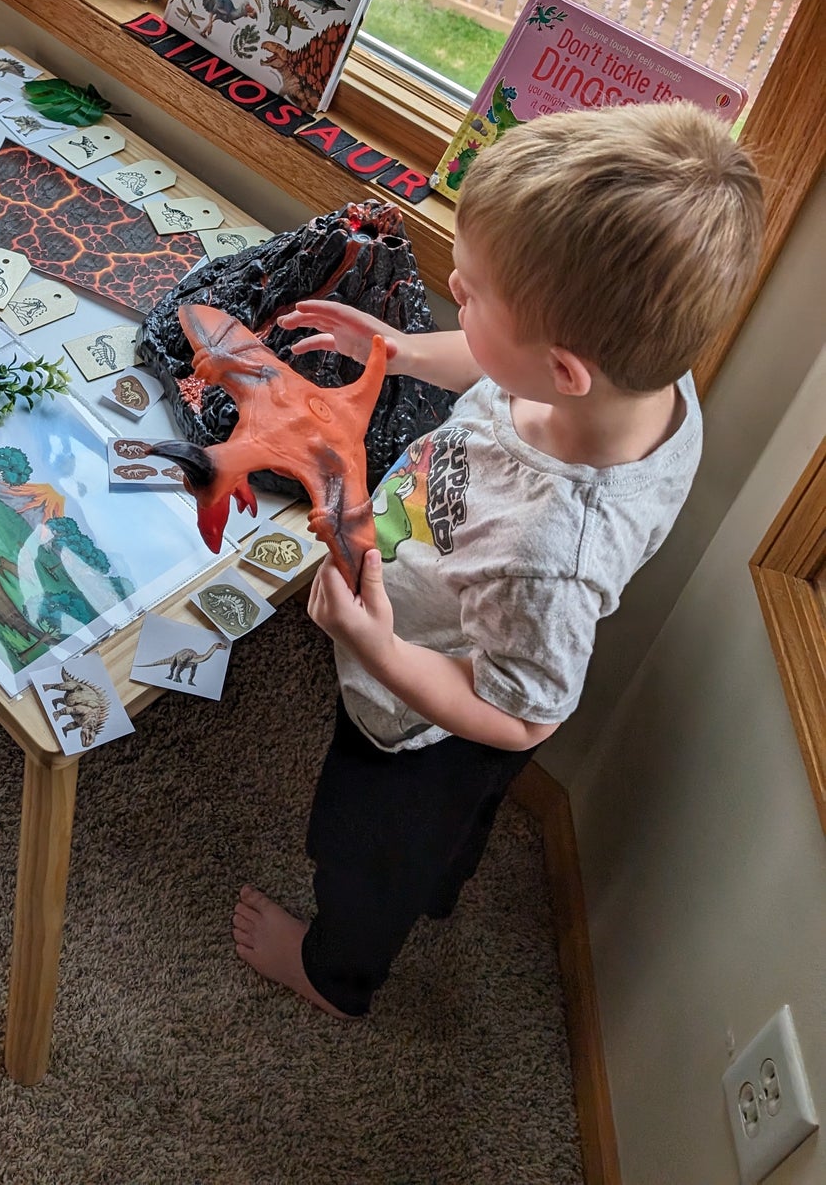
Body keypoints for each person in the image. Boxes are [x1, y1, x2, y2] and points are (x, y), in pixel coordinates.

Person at [232, 102, 763, 1016]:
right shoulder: (641, 379)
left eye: (469, 296)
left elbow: (520, 718)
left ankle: (332, 972)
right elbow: (493, 365)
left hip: (423, 719)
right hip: (461, 629)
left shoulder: (548, 553)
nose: (452, 293)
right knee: (448, 836)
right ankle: (436, 876)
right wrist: (397, 350)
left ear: (564, 371)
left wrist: (376, 647)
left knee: (371, 855)